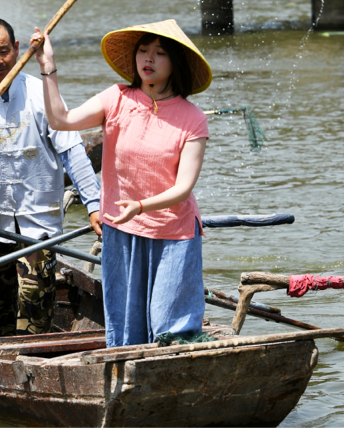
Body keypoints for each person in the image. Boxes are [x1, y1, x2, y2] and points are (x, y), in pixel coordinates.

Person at [36, 19, 212, 348]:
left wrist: (141, 207)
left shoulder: (192, 118)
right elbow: (61, 120)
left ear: (175, 63)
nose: (148, 59)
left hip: (173, 233)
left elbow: (184, 188)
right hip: (122, 229)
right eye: (143, 51)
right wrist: (48, 66)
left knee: (169, 325)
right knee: (126, 326)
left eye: (159, 53)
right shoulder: (116, 99)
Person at [0, 17, 102, 337]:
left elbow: (73, 152)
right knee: (0, 313)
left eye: (4, 51)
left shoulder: (43, 94)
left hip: (38, 225)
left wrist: (95, 204)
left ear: (17, 49)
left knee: (34, 312)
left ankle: (32, 356)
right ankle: (6, 356)